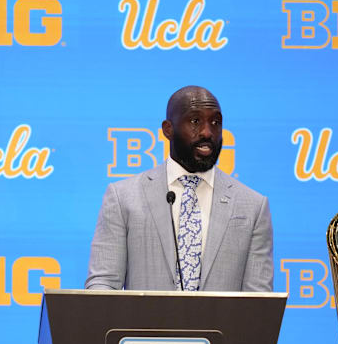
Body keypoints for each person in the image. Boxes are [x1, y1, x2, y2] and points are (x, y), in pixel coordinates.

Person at [85, 85, 273, 291]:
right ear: (168, 129)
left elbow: (259, 300)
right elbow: (103, 284)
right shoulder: (123, 198)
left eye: (215, 122)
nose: (207, 132)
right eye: (195, 121)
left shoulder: (253, 206)